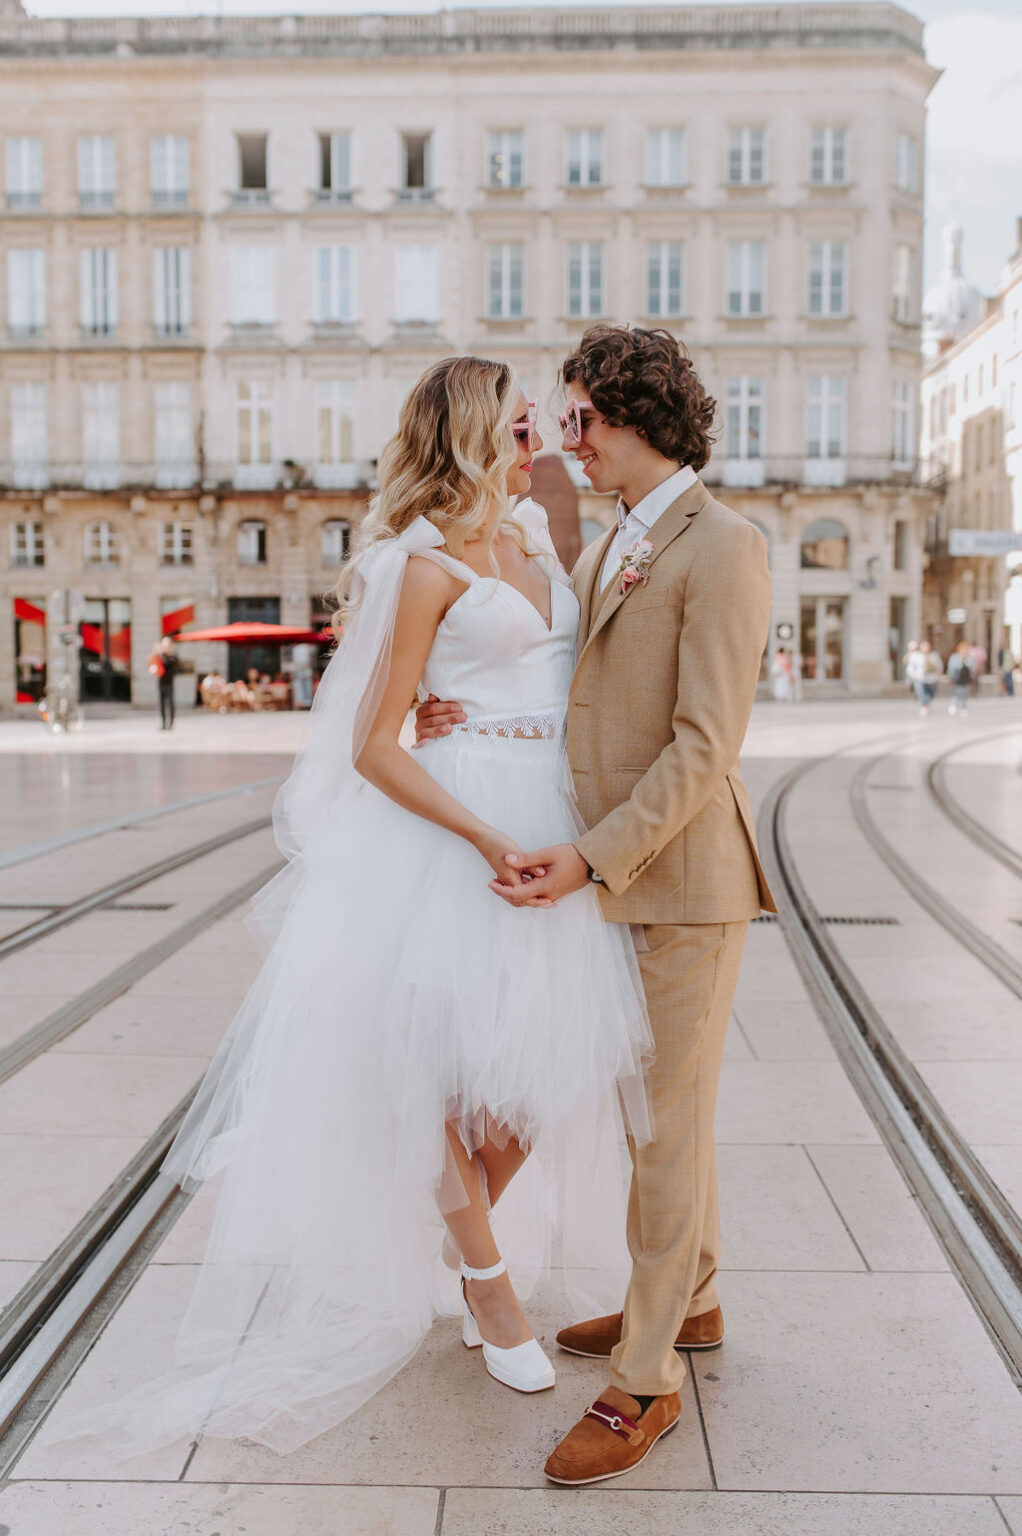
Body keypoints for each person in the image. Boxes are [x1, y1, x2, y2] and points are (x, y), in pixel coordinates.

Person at [59, 356, 651, 1459]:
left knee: (544, 1069)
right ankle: (488, 1283)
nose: (542, 447)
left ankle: (461, 1235)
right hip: (458, 826)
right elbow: (375, 745)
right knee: (425, 1070)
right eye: (522, 429)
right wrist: (480, 831)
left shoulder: (534, 537)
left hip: (553, 816)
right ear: (471, 435)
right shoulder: (419, 565)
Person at [417, 325, 773, 1484]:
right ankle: (691, 1300)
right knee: (656, 1116)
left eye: (577, 417)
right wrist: (443, 709)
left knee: (662, 1129)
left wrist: (587, 856)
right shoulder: (618, 536)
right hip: (611, 875)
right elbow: (556, 674)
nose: (564, 438)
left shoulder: (724, 545)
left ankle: (645, 1380)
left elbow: (704, 746)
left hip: (678, 881)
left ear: (633, 418)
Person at [148, 635, 179, 730]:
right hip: (161, 683)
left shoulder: (173, 656)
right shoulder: (159, 656)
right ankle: (163, 724)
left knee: (170, 704)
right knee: (162, 704)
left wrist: (161, 653)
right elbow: (154, 663)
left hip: (170, 683)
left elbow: (169, 664)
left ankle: (171, 724)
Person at [948, 640, 973, 715]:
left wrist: (965, 660)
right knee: (957, 692)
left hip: (966, 678)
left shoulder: (969, 658)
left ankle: (964, 707)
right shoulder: (954, 657)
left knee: (965, 693)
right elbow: (951, 668)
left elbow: (971, 668)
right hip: (958, 678)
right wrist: (951, 677)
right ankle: (954, 705)